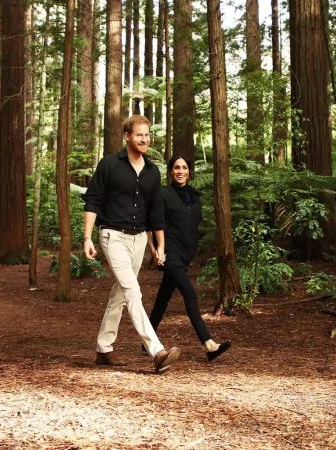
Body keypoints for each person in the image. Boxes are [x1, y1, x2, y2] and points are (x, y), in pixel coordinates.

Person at [82, 115, 181, 374]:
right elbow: (92, 200)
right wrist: (87, 238)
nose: (145, 139)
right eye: (139, 135)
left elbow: (155, 212)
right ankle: (156, 350)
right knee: (133, 291)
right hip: (112, 236)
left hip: (138, 239)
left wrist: (158, 246)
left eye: (147, 135)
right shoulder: (109, 165)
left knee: (121, 295)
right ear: (127, 136)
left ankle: (104, 349)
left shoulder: (152, 171)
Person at [147, 155, 231, 361]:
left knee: (163, 298)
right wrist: (155, 250)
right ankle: (209, 345)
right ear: (170, 171)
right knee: (190, 294)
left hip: (185, 255)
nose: (180, 171)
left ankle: (146, 340)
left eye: (184, 167)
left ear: (190, 171)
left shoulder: (194, 197)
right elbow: (151, 224)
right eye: (176, 167)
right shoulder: (163, 195)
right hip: (170, 252)